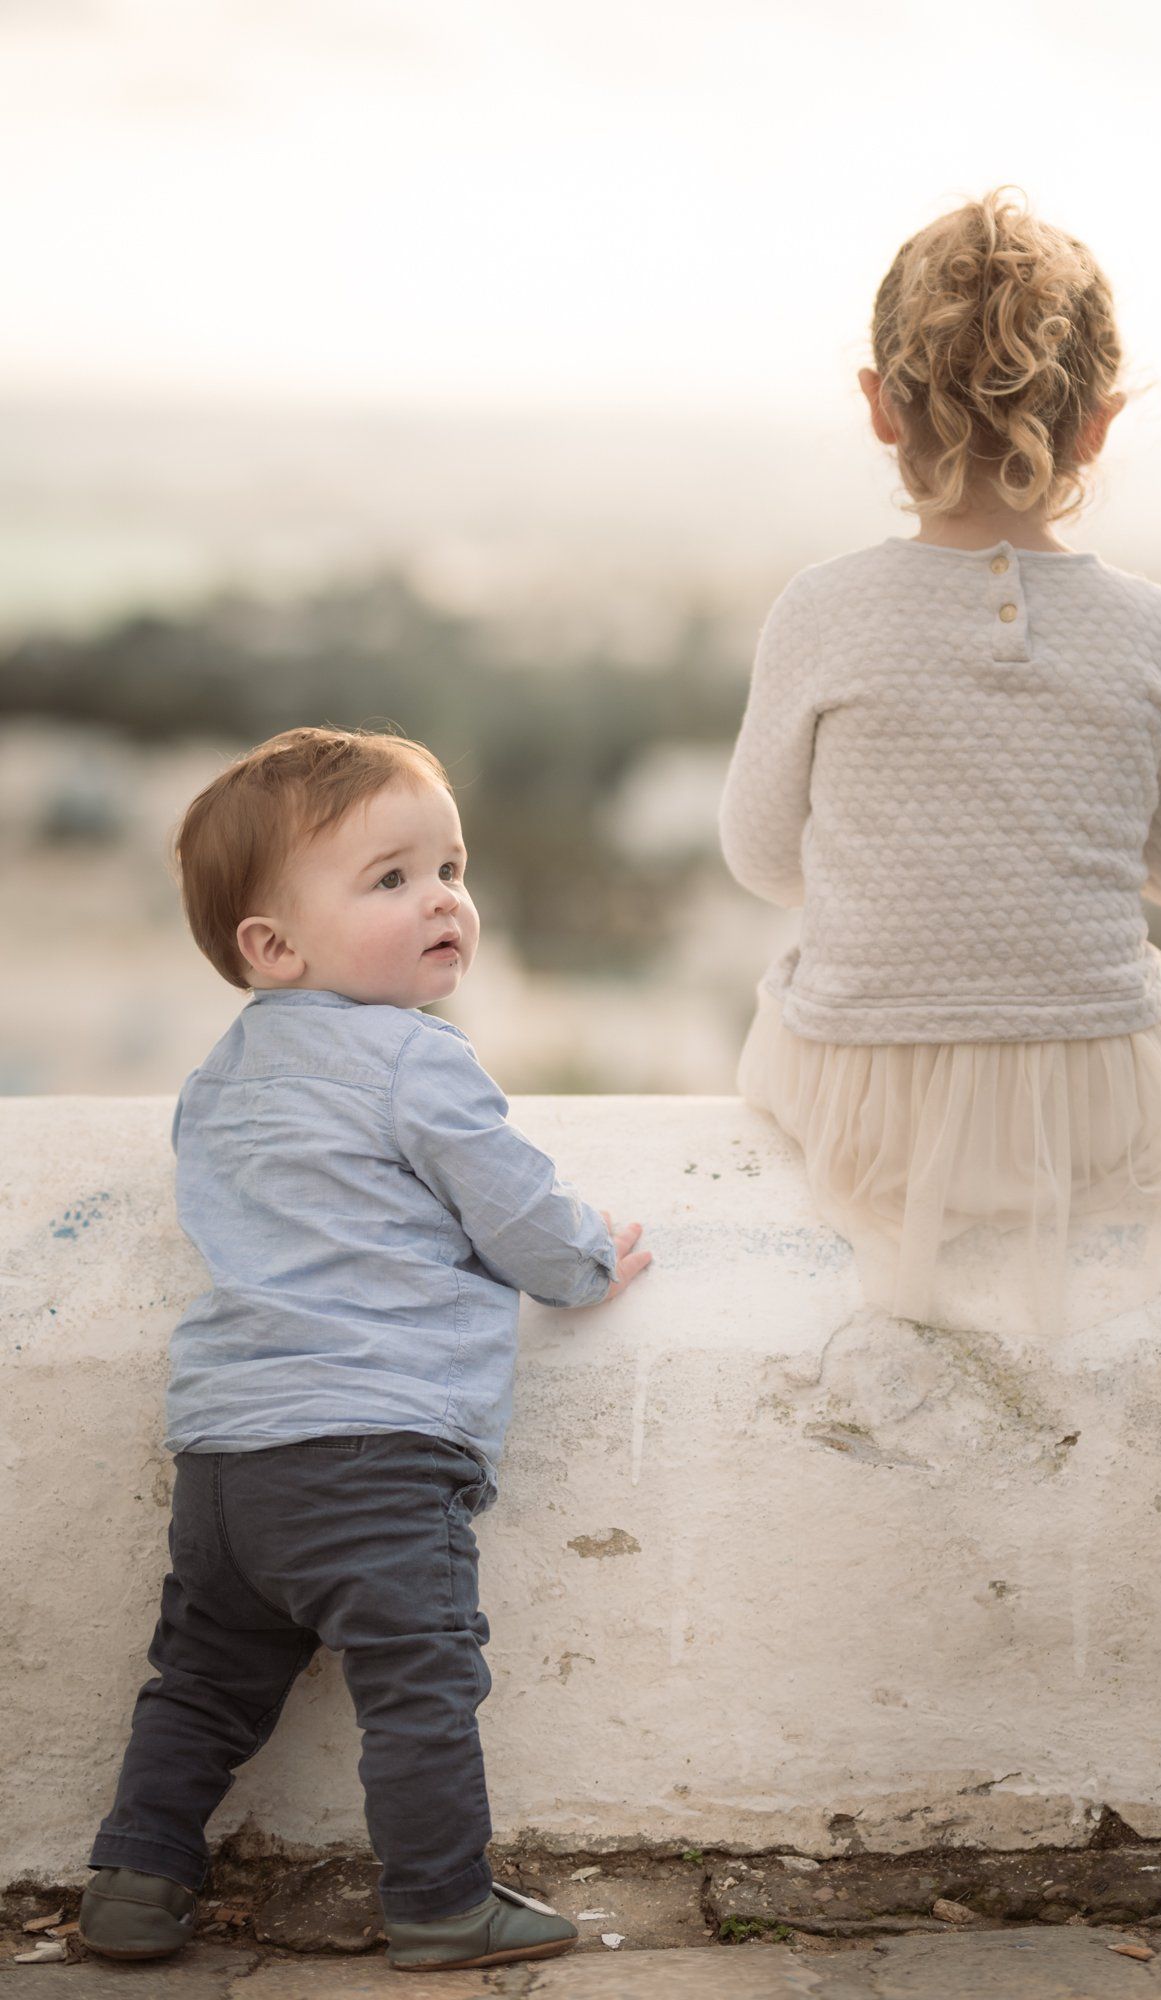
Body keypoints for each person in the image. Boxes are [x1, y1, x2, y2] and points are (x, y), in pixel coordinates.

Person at [79, 725, 651, 1974]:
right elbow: (512, 1212)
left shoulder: (217, 1079)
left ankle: (133, 1878)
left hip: (227, 1458)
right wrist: (591, 1259)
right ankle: (442, 1899)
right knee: (421, 1682)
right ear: (271, 946)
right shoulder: (415, 1060)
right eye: (389, 879)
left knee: (202, 1684)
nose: (443, 898)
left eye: (449, 866)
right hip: (374, 1450)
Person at [719, 187, 1161, 1342]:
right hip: (1093, 1095)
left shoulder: (819, 608)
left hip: (862, 1098)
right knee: (1151, 985)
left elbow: (761, 863)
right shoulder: (1152, 625)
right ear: (1098, 423)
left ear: (877, 406)